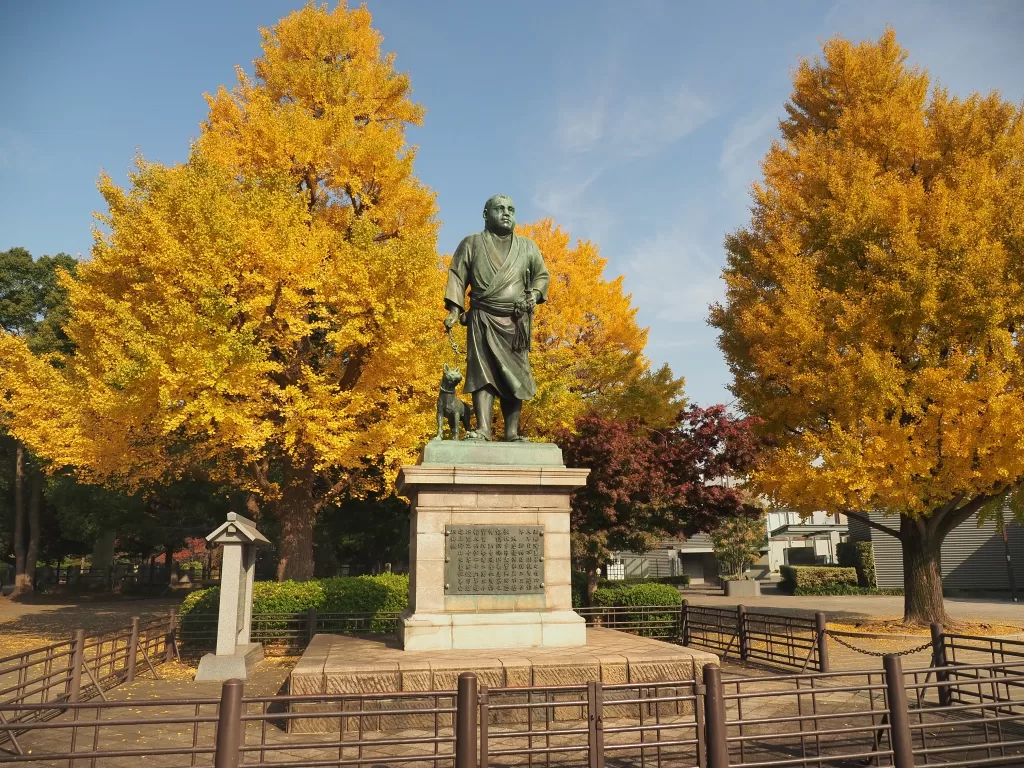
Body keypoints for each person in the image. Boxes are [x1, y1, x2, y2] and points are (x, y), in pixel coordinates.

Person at [443, 194, 550, 441]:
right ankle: (483, 429)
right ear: (485, 214)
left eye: (511, 209)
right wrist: (454, 310)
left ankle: (512, 433)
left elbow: (542, 276)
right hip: (481, 317)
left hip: (516, 320)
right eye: (500, 208)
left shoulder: (528, 247)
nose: (506, 213)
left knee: (516, 376)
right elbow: (458, 277)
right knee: (482, 373)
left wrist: (534, 294)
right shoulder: (471, 244)